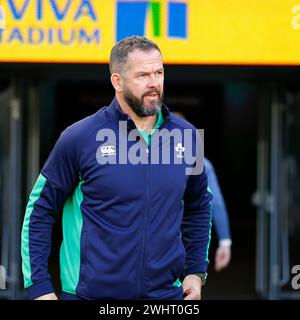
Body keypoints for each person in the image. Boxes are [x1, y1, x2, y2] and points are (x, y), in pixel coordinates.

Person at [21, 36, 213, 300]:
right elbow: (40, 209)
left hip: (165, 297)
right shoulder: (80, 137)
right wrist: (39, 287)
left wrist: (195, 271)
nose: (154, 83)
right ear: (117, 81)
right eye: (143, 75)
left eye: (159, 72)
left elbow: (199, 205)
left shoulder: (188, 136)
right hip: (88, 296)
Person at [172, 112, 232, 272]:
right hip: (187, 244)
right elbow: (215, 203)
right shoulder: (201, 163)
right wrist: (225, 241)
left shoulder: (144, 162)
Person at [204, 158, 232, 271]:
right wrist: (225, 242)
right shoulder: (199, 161)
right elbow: (215, 202)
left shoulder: (146, 158)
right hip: (184, 243)